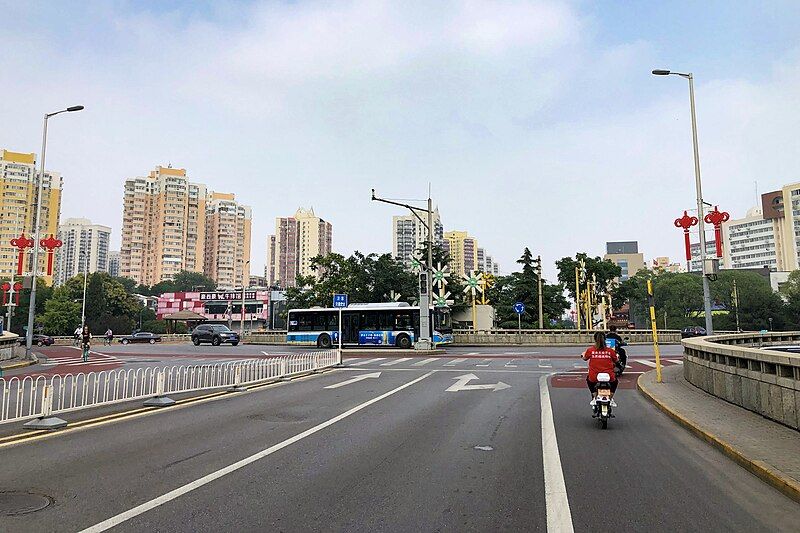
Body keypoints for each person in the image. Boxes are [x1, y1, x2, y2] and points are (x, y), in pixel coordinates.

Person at [582, 331, 618, 408]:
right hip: (609, 376)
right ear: (605, 339)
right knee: (615, 382)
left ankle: (595, 397)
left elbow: (585, 358)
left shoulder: (590, 350)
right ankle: (611, 398)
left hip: (594, 376)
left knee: (589, 381)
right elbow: (616, 360)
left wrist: (582, 355)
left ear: (595, 339)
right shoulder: (610, 351)